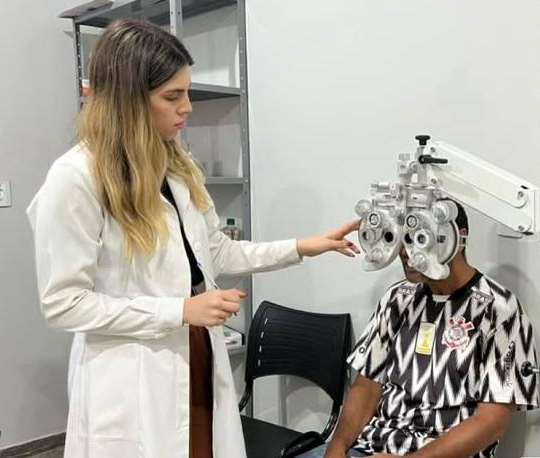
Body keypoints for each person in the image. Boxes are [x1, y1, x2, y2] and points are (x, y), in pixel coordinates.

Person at [26, 19, 359, 458]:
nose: (187, 108)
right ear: (129, 101)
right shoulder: (75, 179)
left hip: (195, 352)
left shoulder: (175, 168)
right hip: (133, 373)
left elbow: (216, 253)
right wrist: (179, 310)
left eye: (186, 93)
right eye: (172, 96)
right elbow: (63, 303)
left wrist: (303, 246)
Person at [302, 200, 538, 458]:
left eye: (421, 238)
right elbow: (367, 386)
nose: (406, 251)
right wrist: (335, 450)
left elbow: (493, 422)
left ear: (458, 239)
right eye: (404, 238)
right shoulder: (397, 298)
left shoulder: (499, 309)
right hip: (372, 447)